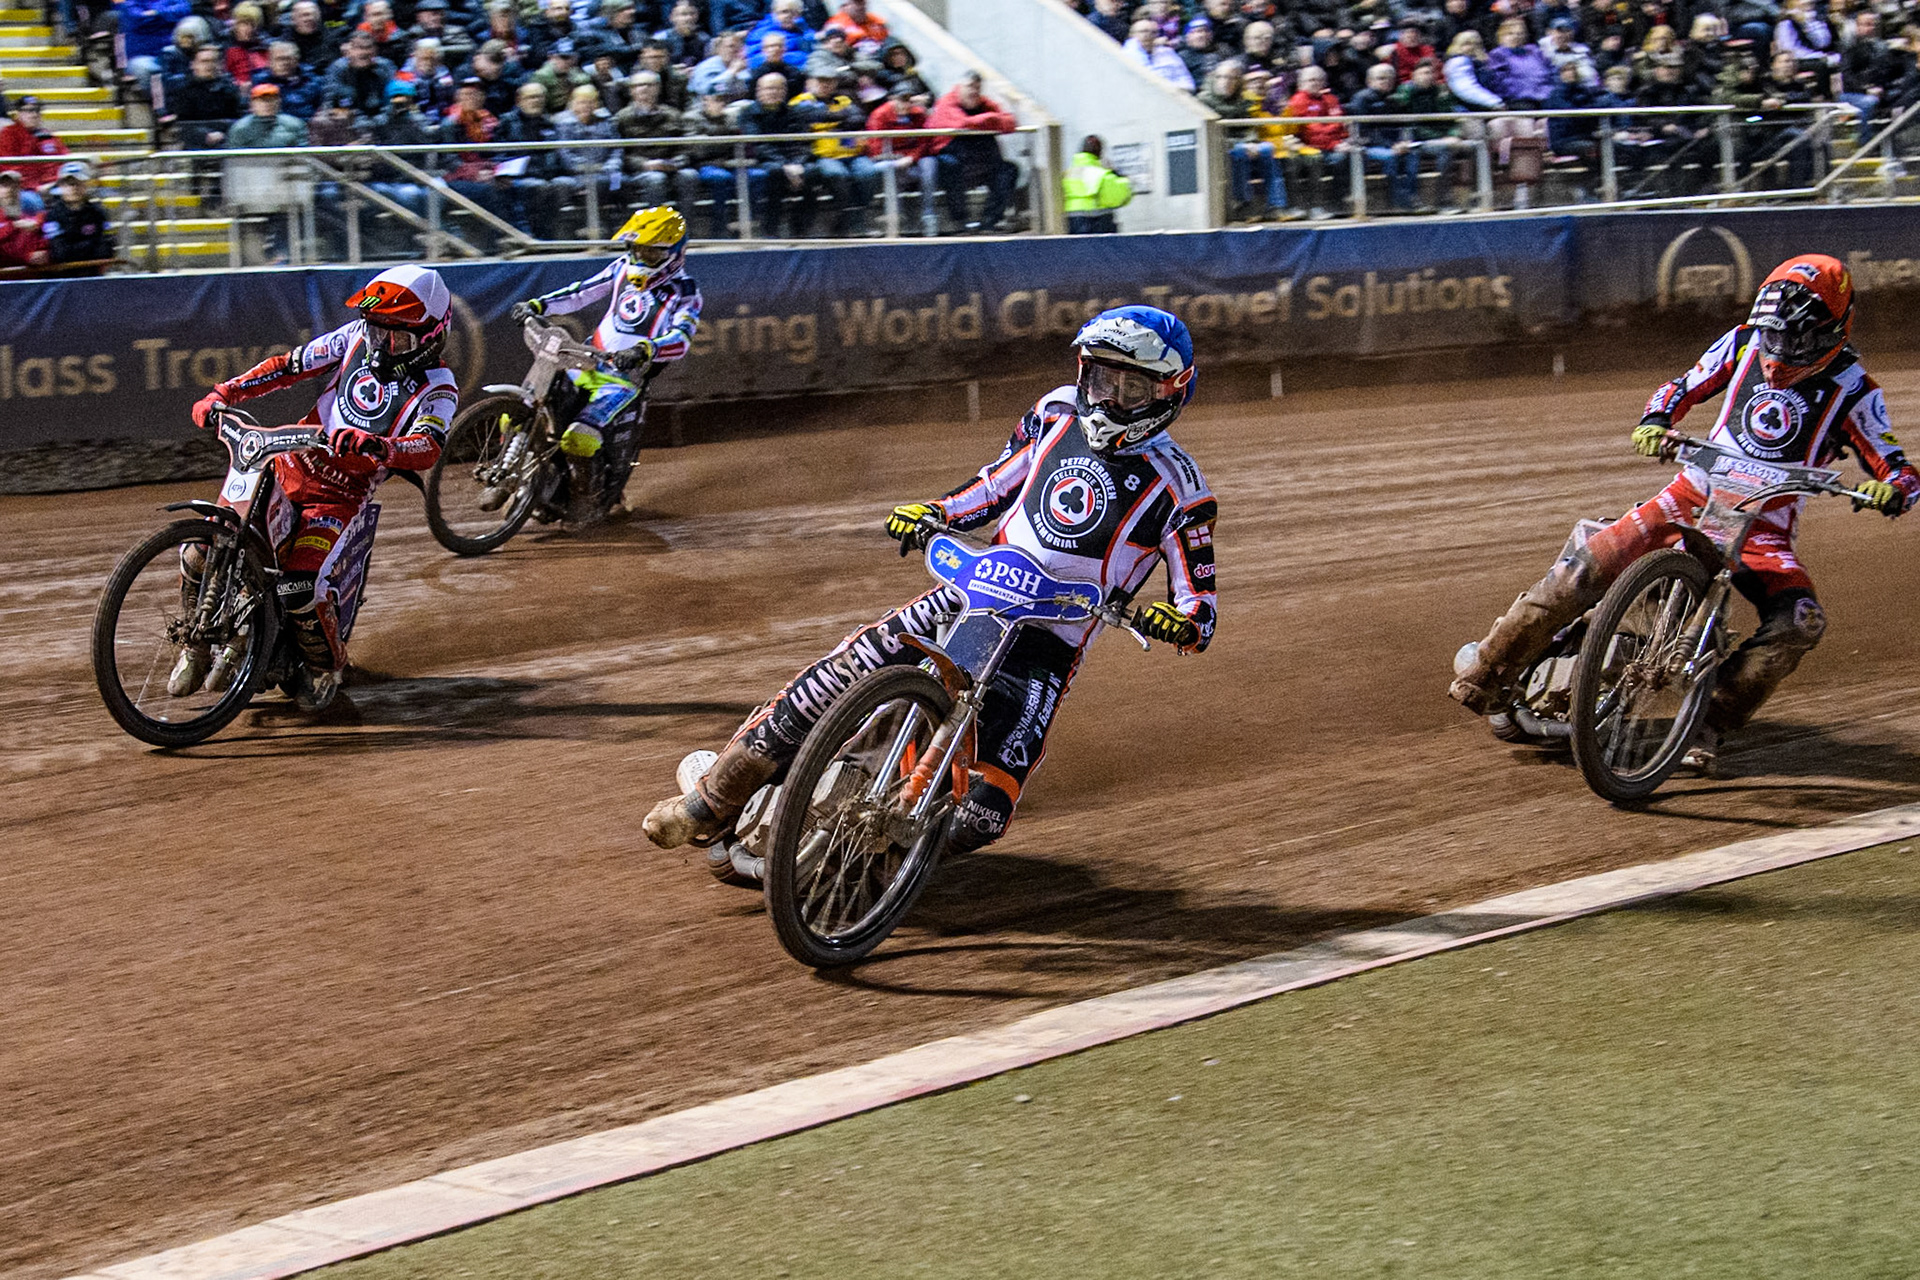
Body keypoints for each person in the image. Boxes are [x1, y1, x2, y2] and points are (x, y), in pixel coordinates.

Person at [639, 305, 1218, 867]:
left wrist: (1181, 621)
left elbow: (1201, 606)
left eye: (1132, 390)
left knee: (985, 812)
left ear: (1169, 393)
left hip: (1047, 644)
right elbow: (994, 487)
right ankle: (709, 800)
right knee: (836, 675)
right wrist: (935, 512)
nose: (1110, 398)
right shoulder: (1056, 412)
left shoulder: (1181, 489)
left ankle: (881, 873)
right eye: (1100, 377)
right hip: (971, 592)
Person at [1449, 256, 1919, 772]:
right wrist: (1656, 419)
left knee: (1801, 622)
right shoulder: (1743, 341)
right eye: (1775, 336)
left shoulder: (1857, 390)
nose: (1780, 352)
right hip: (1689, 496)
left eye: (1797, 340)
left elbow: (1896, 464)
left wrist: (1893, 490)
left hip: (1763, 531)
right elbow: (1682, 385)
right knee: (1581, 568)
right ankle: (1487, 670)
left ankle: (1711, 720)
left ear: (1834, 328)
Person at [183, 267, 459, 711]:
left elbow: (427, 445)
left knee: (298, 586)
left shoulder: (439, 387)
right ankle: (192, 640)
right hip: (285, 464)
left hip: (338, 498)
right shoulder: (354, 336)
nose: (380, 344)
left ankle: (325, 665)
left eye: (397, 338)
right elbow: (290, 366)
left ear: (431, 336)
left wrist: (381, 446)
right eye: (375, 330)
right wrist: (223, 393)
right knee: (204, 545)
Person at [508, 207, 702, 520]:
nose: (642, 258)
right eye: (637, 250)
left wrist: (645, 350)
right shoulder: (622, 268)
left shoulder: (685, 292)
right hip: (585, 359)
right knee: (520, 410)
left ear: (674, 253)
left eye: (651, 253)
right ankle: (519, 470)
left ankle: (585, 501)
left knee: (579, 438)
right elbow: (581, 293)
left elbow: (682, 337)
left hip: (624, 381)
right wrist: (538, 304)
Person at [926, 70, 1019, 234]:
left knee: (1009, 170)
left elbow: (1010, 122)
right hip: (955, 161)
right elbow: (962, 124)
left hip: (982, 161)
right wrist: (990, 119)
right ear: (960, 87)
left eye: (977, 87)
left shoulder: (983, 103)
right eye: (970, 86)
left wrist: (986, 119)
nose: (973, 91)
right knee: (949, 165)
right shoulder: (946, 102)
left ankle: (989, 221)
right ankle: (961, 221)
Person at [41, 161, 114, 265]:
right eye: (69, 184)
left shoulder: (97, 212)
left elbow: (106, 250)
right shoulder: (53, 215)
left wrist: (75, 248)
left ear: (86, 185)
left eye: (78, 183)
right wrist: (91, 244)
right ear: (60, 186)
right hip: (62, 275)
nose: (73, 188)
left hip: (91, 273)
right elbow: (60, 253)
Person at [1063, 133, 1131, 233]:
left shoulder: (1067, 174)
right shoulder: (1102, 174)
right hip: (1099, 222)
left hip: (1072, 222)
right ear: (1100, 152)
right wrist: (1120, 177)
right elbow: (1121, 196)